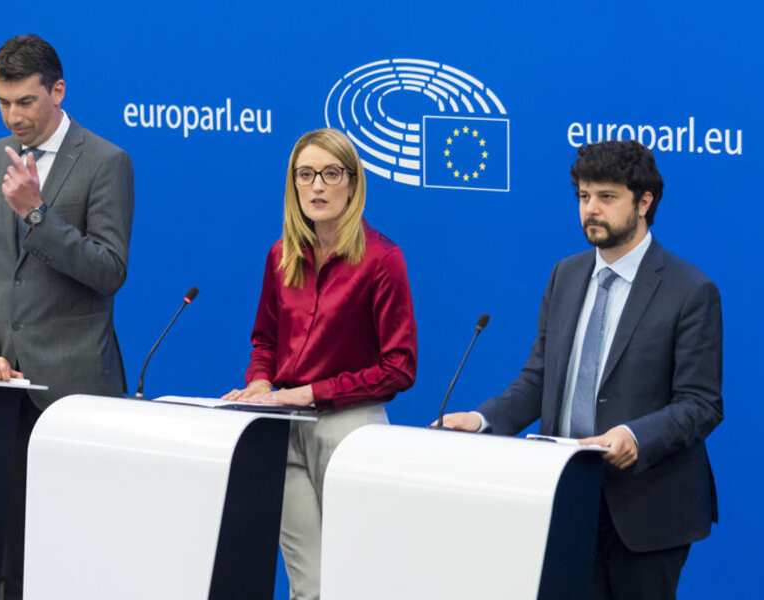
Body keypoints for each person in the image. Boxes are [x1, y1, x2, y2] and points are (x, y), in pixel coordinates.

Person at [439, 140, 722, 599]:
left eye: (607, 197)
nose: (591, 209)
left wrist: (634, 435)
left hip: (647, 509)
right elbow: (539, 380)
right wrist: (484, 420)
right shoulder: (565, 275)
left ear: (644, 202)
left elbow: (700, 404)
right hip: (567, 497)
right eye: (584, 197)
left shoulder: (690, 290)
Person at [0, 34, 134, 600]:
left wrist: (37, 213)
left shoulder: (106, 162)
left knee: (82, 554)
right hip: (5, 388)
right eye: (3, 103)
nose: (14, 116)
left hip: (78, 391)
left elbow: (109, 270)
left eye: (26, 102)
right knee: (10, 556)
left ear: (58, 91)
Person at [223, 128, 417, 600]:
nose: (317, 186)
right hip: (282, 427)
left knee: (356, 580)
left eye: (331, 174)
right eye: (306, 175)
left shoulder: (382, 260)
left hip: (350, 429)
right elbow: (265, 339)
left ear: (352, 183)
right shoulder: (281, 254)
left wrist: (313, 391)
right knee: (308, 583)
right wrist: (261, 381)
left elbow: (399, 367)